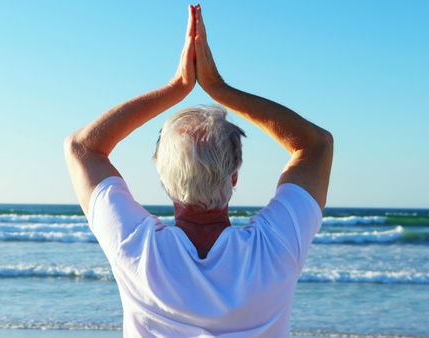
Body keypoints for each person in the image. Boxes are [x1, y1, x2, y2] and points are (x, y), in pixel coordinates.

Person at [64, 4, 333, 337]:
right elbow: (315, 145)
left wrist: (177, 86)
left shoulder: (137, 248)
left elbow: (83, 147)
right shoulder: (275, 246)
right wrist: (219, 88)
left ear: (164, 180)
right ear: (234, 176)